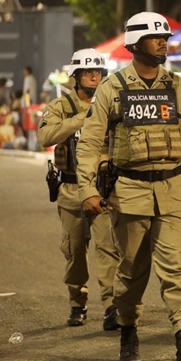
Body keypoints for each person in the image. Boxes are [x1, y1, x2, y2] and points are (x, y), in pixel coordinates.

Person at [76, 12, 181, 361]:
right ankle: (128, 330)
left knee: (175, 266)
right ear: (136, 44)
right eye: (155, 38)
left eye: (164, 38)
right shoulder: (112, 88)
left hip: (172, 189)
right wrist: (88, 189)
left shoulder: (180, 87)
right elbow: (90, 143)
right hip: (130, 190)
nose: (163, 43)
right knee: (132, 271)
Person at [37, 48, 120, 330]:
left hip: (104, 187)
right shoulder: (61, 106)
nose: (94, 77)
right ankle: (77, 303)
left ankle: (111, 307)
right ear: (76, 76)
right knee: (74, 252)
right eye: (88, 72)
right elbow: (45, 136)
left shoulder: (110, 102)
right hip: (71, 188)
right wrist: (82, 120)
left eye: (98, 72)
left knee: (109, 250)